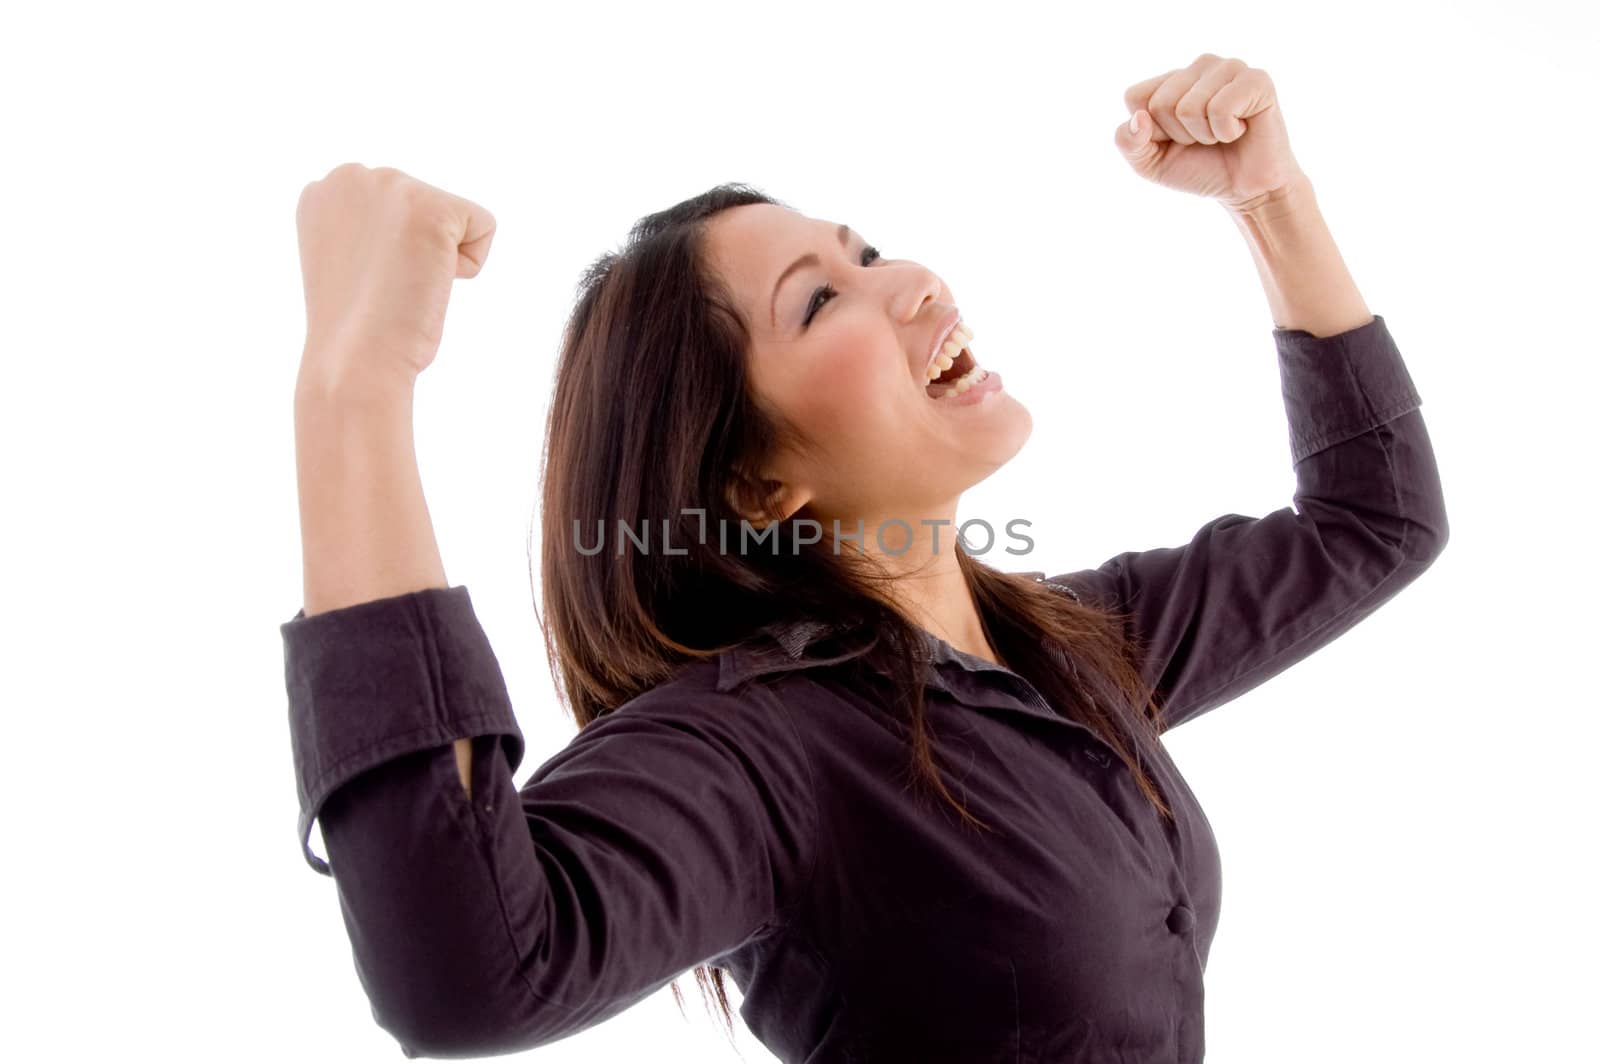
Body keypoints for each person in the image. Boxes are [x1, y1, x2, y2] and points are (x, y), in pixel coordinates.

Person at [281, 54, 1448, 1062]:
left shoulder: (1069, 646)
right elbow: (471, 973)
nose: (912, 280)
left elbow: (1373, 519)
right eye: (820, 298)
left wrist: (1270, 196)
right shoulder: (758, 747)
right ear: (753, 484)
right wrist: (354, 389)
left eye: (865, 248)